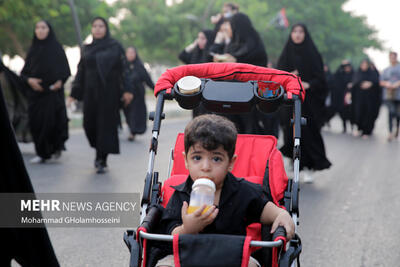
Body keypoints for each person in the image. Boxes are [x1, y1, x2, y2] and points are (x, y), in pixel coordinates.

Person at [155, 114, 295, 267]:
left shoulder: (243, 192)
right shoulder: (180, 195)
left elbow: (270, 211)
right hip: (187, 256)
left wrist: (283, 215)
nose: (205, 167)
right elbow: (167, 237)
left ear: (231, 163)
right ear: (186, 161)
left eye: (216, 159)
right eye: (197, 158)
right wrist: (187, 229)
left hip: (233, 258)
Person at [69, 17, 133, 173]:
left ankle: (101, 159)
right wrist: (73, 93)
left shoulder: (115, 46)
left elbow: (124, 69)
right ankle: (99, 150)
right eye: (95, 26)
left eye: (101, 26)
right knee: (88, 125)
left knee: (105, 127)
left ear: (106, 28)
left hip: (109, 93)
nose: (97, 29)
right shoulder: (87, 48)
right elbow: (80, 71)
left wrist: (127, 90)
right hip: (90, 94)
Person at [277, 23, 331, 183]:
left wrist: (309, 84)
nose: (297, 35)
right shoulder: (286, 53)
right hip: (290, 102)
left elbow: (321, 79)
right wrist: (289, 75)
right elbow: (278, 75)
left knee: (308, 133)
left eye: (301, 32)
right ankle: (295, 166)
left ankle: (309, 168)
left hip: (309, 103)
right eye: (295, 31)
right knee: (290, 133)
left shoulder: (313, 54)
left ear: (305, 34)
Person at [20, 20, 71, 163]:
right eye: (37, 28)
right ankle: (41, 152)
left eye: (43, 28)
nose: (40, 30)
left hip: (52, 94)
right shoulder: (33, 49)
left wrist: (59, 82)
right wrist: (30, 81)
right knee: (37, 123)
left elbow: (65, 70)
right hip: (36, 95)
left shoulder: (56, 48)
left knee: (51, 122)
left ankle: (52, 149)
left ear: (49, 30)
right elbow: (24, 73)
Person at [178, 30, 215, 118]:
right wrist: (193, 45)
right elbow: (182, 56)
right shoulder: (195, 54)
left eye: (203, 38)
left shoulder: (212, 55)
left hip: (209, 92)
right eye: (198, 38)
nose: (200, 41)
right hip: (196, 92)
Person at [123, 46, 154, 141]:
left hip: (138, 95)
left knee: (135, 113)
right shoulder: (123, 66)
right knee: (127, 113)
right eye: (128, 52)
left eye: (132, 52)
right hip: (126, 94)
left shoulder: (139, 66)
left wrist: (156, 89)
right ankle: (131, 129)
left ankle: (133, 132)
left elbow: (147, 79)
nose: (130, 54)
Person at [351, 59, 381, 139]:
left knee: (368, 114)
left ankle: (366, 131)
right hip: (359, 98)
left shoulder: (372, 74)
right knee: (358, 113)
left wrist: (370, 84)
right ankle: (359, 128)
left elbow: (377, 83)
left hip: (370, 99)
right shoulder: (358, 73)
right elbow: (354, 83)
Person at [380, 51, 400, 141]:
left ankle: (397, 129)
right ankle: (390, 132)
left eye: (393, 57)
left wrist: (397, 84)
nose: (392, 59)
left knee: (398, 114)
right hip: (388, 95)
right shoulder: (386, 70)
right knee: (391, 112)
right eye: (390, 57)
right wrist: (387, 84)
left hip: (398, 94)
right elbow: (381, 81)